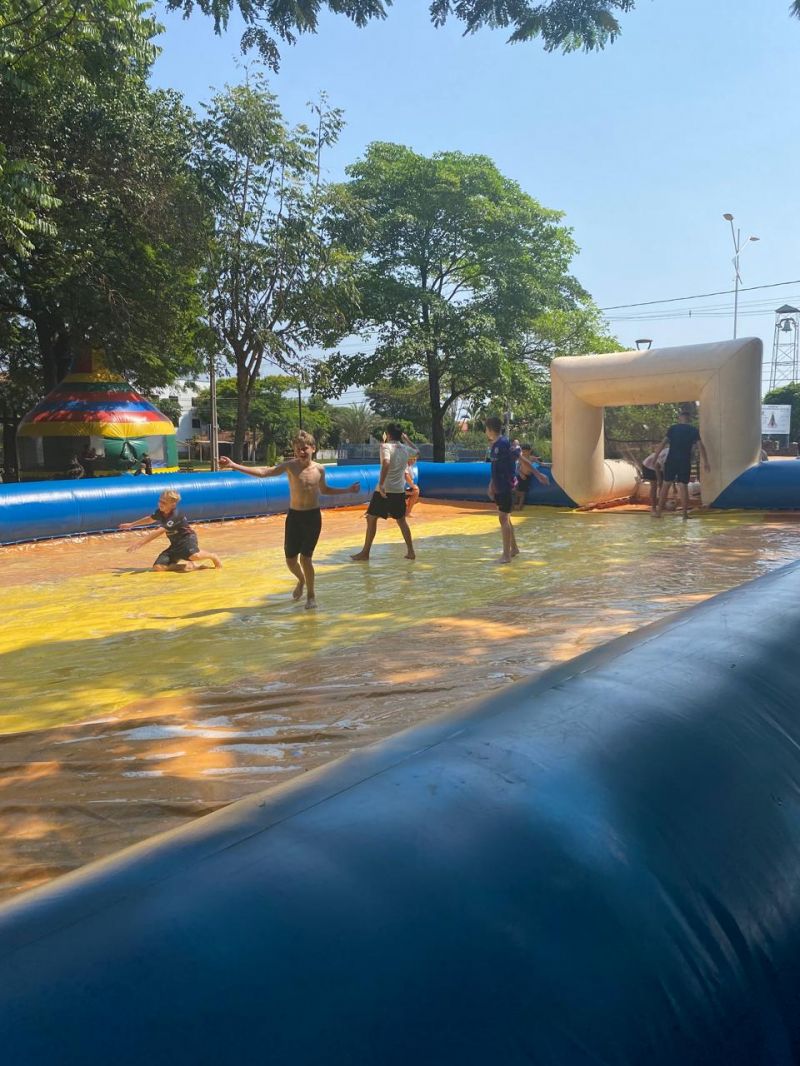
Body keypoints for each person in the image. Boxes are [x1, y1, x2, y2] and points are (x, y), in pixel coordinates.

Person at [220, 431, 359, 609]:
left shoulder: (319, 469)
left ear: (313, 449)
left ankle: (311, 595)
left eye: (305, 449)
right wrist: (234, 465)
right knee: (290, 560)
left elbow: (324, 490)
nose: (301, 452)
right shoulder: (290, 467)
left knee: (306, 558)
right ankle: (301, 580)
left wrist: (347, 490)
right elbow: (264, 472)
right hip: (294, 517)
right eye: (298, 449)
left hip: (312, 517)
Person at [351, 425, 419, 562]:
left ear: (388, 434)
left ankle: (365, 553)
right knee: (401, 521)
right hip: (399, 490)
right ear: (401, 435)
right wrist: (407, 440)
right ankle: (411, 552)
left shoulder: (385, 447)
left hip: (385, 489)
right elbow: (417, 452)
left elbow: (386, 463)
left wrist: (381, 484)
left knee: (371, 518)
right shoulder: (405, 449)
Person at [119, 489, 222, 571]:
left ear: (173, 504)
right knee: (158, 567)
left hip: (187, 539)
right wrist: (132, 524)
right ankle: (188, 566)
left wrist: (140, 543)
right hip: (175, 543)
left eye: (164, 502)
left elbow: (159, 531)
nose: (160, 504)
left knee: (194, 556)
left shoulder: (175, 516)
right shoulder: (161, 512)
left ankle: (212, 556)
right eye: (160, 501)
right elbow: (150, 519)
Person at [653, 407, 710, 519]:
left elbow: (662, 443)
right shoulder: (693, 430)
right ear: (689, 419)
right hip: (684, 461)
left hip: (672, 460)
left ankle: (659, 512)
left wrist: (655, 457)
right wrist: (706, 461)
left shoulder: (673, 429)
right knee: (683, 486)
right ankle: (684, 514)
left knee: (666, 485)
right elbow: (700, 446)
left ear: (679, 418)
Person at [485, 415, 520, 563]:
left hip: (507, 485)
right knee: (506, 517)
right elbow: (495, 467)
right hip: (499, 486)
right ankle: (514, 548)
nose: (485, 431)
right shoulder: (494, 445)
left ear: (490, 429)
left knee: (503, 518)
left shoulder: (504, 443)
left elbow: (517, 456)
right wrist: (491, 485)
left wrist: (518, 445)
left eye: (486, 429)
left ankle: (506, 555)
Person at [513, 443, 548, 510]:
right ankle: (514, 504)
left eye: (525, 451)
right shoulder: (521, 458)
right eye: (522, 451)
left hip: (526, 477)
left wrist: (551, 465)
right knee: (515, 490)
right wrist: (521, 474)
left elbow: (541, 464)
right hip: (520, 475)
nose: (523, 453)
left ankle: (520, 506)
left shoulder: (532, 458)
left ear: (530, 451)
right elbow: (517, 468)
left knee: (523, 493)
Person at [641, 444, 668, 513]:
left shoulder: (677, 455)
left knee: (663, 486)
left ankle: (661, 505)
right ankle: (653, 507)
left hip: (659, 467)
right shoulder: (668, 453)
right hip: (649, 466)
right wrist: (660, 481)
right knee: (654, 486)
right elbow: (656, 466)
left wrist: (674, 487)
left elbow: (670, 473)